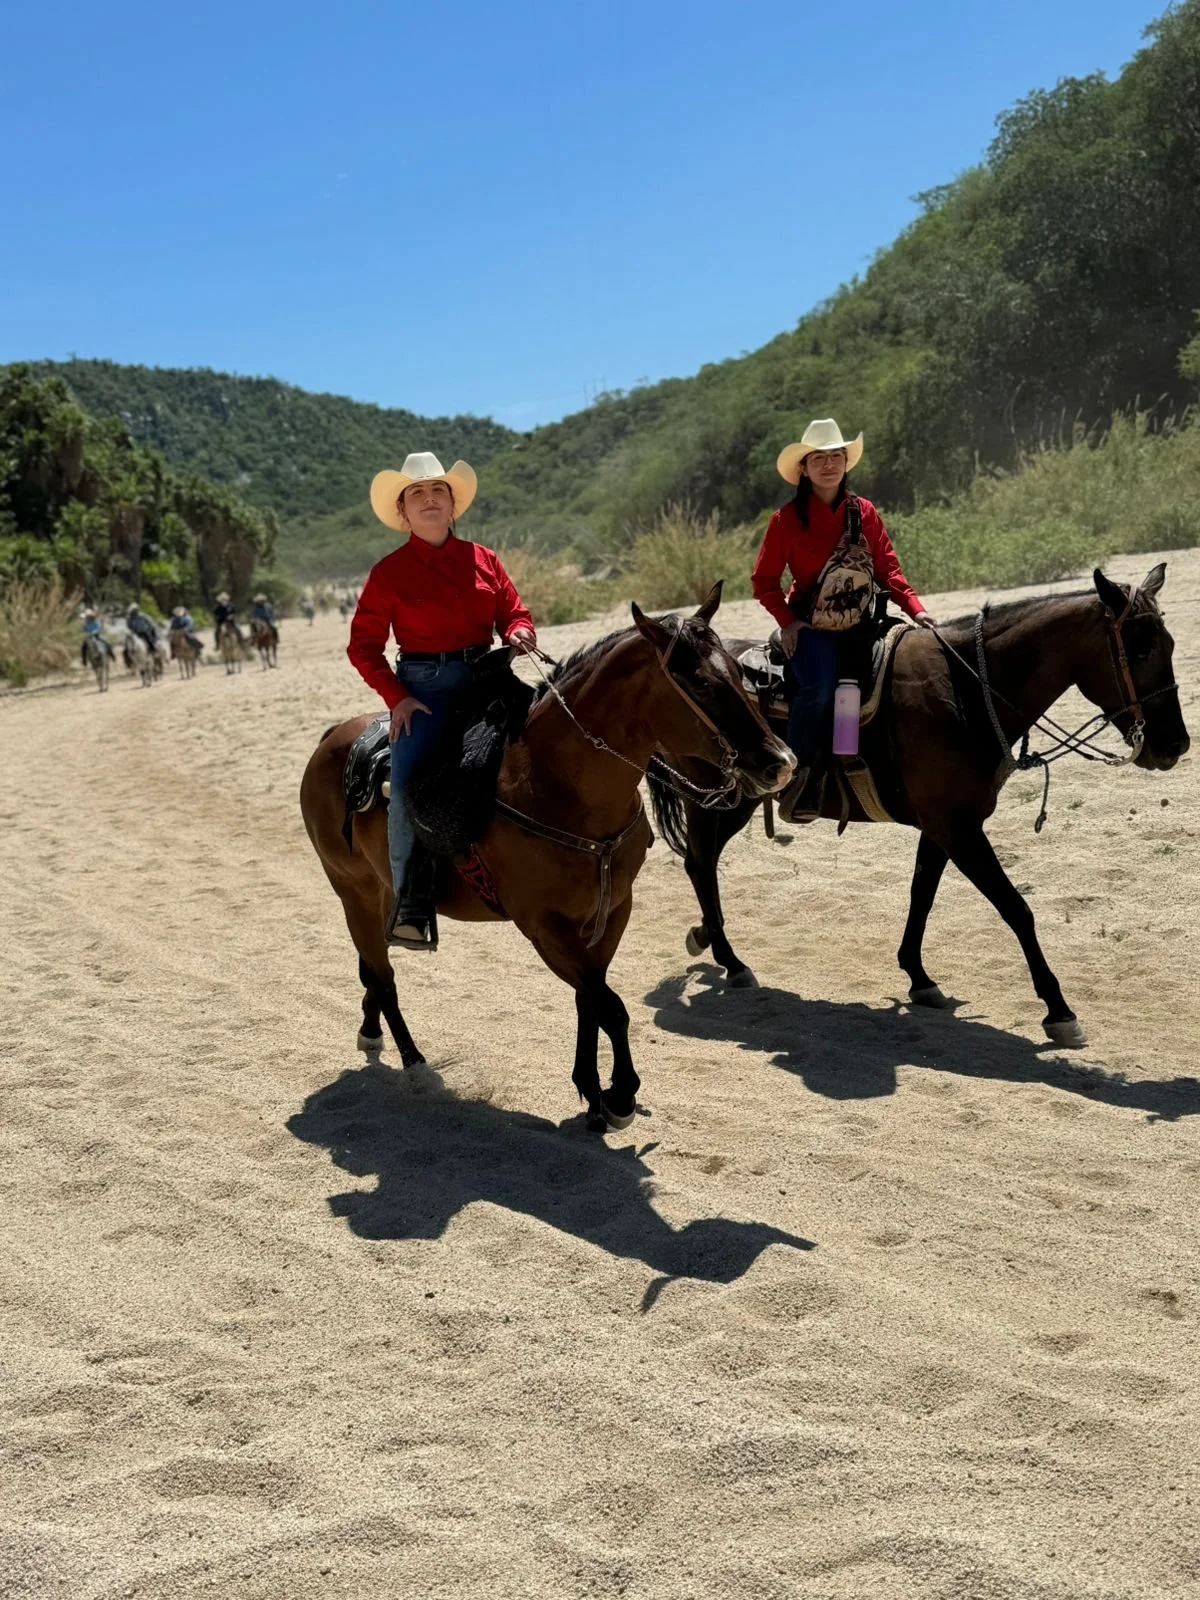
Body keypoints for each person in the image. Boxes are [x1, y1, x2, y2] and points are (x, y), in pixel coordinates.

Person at [347, 451, 536, 949]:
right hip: (423, 693)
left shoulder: (485, 560)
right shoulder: (388, 573)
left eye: (438, 492)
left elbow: (515, 612)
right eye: (417, 494)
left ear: (453, 506)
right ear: (403, 512)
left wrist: (518, 632)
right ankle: (411, 902)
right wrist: (397, 699)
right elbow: (363, 647)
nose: (429, 500)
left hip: (487, 681)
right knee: (407, 787)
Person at [752, 419, 937, 822]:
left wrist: (916, 610)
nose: (829, 465)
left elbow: (888, 569)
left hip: (862, 621)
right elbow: (764, 581)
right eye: (819, 458)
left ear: (845, 463)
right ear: (804, 468)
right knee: (820, 688)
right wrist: (789, 622)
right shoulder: (785, 520)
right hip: (809, 626)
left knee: (887, 681)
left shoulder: (864, 512)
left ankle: (856, 769)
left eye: (836, 457)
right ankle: (797, 779)